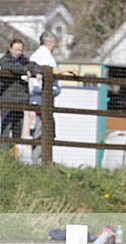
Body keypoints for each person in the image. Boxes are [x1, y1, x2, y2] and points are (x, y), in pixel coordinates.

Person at [28, 31, 77, 163]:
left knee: (44, 126)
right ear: (50, 42)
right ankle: (40, 160)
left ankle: (42, 158)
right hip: (42, 97)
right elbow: (48, 71)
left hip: (41, 97)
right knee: (43, 127)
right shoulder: (44, 55)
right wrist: (68, 69)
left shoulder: (39, 54)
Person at [0, 38, 40, 152]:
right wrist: (24, 71)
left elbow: (34, 66)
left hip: (21, 100)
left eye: (20, 50)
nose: (18, 52)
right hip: (7, 99)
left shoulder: (25, 61)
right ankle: (2, 155)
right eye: (16, 49)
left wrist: (38, 72)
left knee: (18, 130)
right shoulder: (5, 60)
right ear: (10, 49)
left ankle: (12, 153)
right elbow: (10, 67)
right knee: (6, 129)